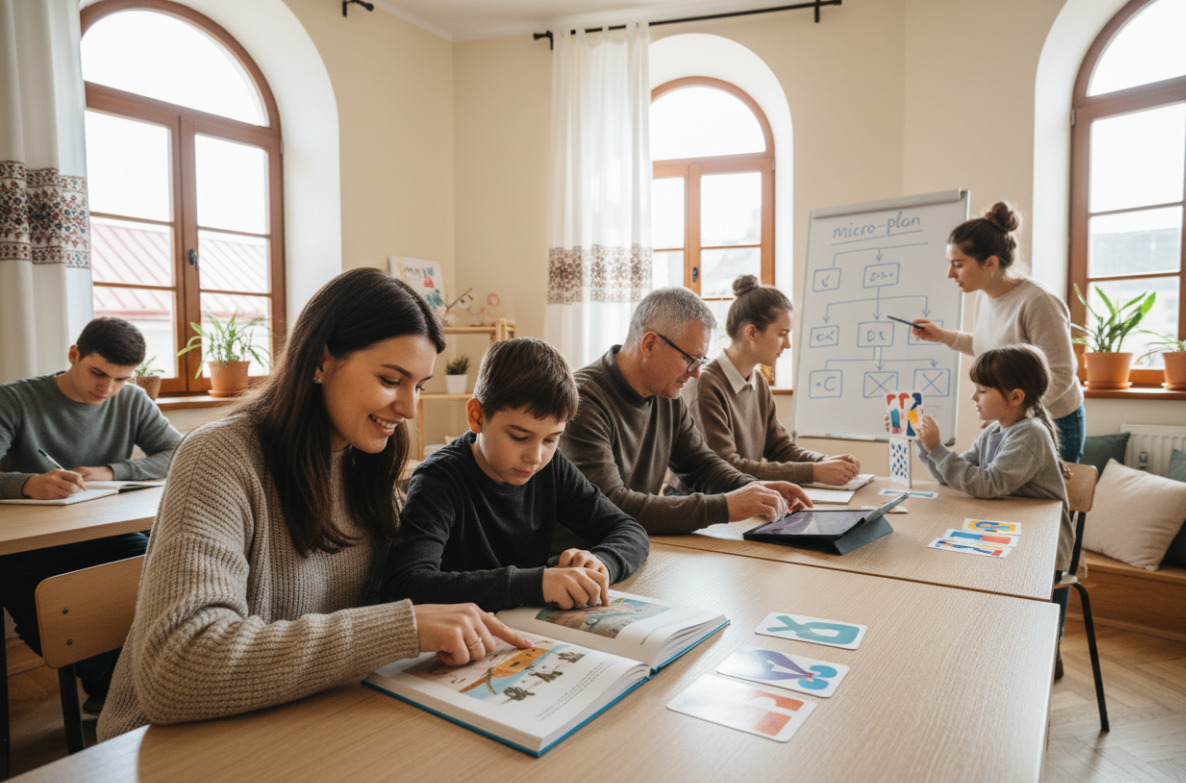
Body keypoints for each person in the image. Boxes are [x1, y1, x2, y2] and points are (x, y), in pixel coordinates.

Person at [97, 268, 531, 740]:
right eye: (391, 379)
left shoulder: (369, 466)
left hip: (301, 721)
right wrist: (401, 628)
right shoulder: (217, 457)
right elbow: (177, 669)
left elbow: (396, 600)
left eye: (420, 385)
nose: (409, 407)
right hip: (170, 747)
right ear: (321, 362)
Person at [382, 337, 649, 612]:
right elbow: (406, 585)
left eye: (551, 440)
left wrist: (602, 562)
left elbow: (628, 529)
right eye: (520, 436)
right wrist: (535, 584)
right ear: (477, 416)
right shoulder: (439, 479)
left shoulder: (552, 467)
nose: (535, 457)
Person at [0, 316, 182, 713]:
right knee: (50, 607)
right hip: (30, 544)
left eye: (121, 379)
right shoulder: (14, 400)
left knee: (159, 566)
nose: (108, 389)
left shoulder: (131, 400)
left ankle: (130, 684)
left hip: (101, 530)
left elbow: (176, 453)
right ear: (73, 354)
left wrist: (112, 470)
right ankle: (111, 685)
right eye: (98, 373)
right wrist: (28, 484)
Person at [559, 287, 811, 536]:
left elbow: (702, 465)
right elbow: (611, 505)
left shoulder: (667, 393)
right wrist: (726, 506)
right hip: (577, 560)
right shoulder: (583, 400)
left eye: (701, 360)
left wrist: (756, 489)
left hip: (627, 547)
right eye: (691, 359)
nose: (696, 373)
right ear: (649, 344)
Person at [914, 344, 1074, 678]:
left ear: (1015, 397)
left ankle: (1039, 659)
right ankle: (997, 652)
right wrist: (926, 446)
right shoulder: (994, 431)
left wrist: (937, 449)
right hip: (1010, 533)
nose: (974, 398)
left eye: (982, 391)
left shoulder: (1029, 433)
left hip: (1039, 547)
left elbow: (987, 484)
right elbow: (954, 476)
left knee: (1027, 617)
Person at [912, 201, 1085, 463]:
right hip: (1016, 417)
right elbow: (993, 348)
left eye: (958, 264)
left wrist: (1012, 413)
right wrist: (942, 335)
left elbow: (1061, 373)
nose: (950, 273)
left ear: (990, 263)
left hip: (1054, 420)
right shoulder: (985, 297)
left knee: (1044, 503)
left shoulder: (1038, 302)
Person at [678, 275, 861, 487]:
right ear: (752, 332)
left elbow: (779, 447)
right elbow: (725, 467)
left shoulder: (757, 380)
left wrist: (824, 462)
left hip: (739, 498)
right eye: (782, 334)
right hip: (701, 502)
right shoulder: (705, 383)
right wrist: (814, 472)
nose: (787, 345)